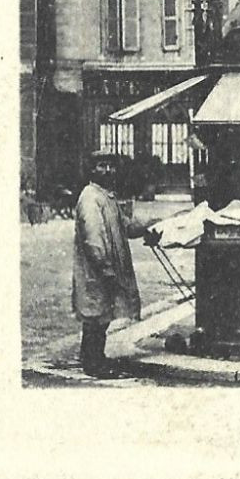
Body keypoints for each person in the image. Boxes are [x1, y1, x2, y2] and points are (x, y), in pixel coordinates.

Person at [73, 151, 159, 378]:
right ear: (92, 170)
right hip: (97, 270)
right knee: (96, 316)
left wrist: (152, 225)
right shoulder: (90, 198)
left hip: (106, 268)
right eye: (101, 166)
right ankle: (93, 363)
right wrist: (105, 268)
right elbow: (94, 238)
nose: (108, 171)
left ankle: (92, 357)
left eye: (111, 166)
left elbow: (126, 226)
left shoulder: (106, 197)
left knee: (101, 317)